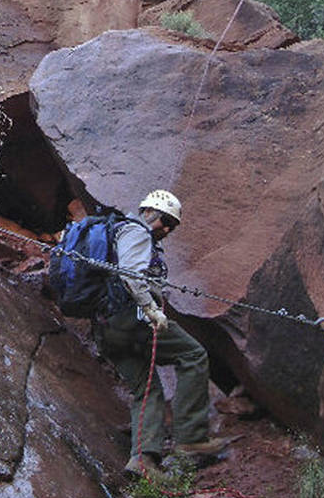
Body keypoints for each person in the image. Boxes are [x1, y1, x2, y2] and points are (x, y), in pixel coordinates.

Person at [92, 189, 230, 478]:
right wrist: (152, 310)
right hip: (132, 319)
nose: (166, 229)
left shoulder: (114, 233)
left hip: (105, 328)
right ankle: (191, 438)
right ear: (149, 212)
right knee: (193, 354)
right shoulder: (136, 232)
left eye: (172, 226)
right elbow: (131, 275)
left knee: (147, 389)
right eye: (164, 221)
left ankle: (143, 462)